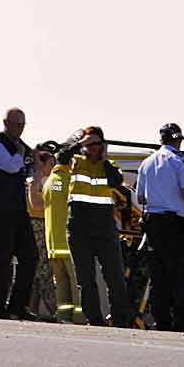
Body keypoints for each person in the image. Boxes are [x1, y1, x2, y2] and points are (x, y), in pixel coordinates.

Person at [53, 126, 134, 327]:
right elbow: (61, 156)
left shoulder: (110, 166)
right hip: (80, 228)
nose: (93, 148)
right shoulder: (74, 162)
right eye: (89, 145)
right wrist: (79, 144)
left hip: (105, 228)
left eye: (97, 144)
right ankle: (95, 320)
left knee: (115, 277)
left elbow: (116, 182)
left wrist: (104, 158)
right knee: (86, 280)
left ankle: (120, 320)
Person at [136, 123, 184, 332]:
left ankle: (161, 322)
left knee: (158, 276)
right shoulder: (180, 161)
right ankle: (183, 325)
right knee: (181, 275)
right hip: (175, 225)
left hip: (153, 224)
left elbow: (141, 197)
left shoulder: (146, 163)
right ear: (178, 140)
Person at [0, 108, 39, 320]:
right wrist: (24, 154)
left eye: (23, 125)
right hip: (1, 212)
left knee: (30, 257)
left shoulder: (19, 147)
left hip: (18, 210)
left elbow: (29, 172)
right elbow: (12, 166)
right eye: (17, 125)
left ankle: (17, 306)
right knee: (2, 261)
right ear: (5, 123)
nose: (20, 129)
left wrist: (35, 160)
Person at [31, 141, 82, 323]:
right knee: (75, 283)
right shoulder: (67, 180)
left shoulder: (51, 181)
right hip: (65, 240)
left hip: (52, 242)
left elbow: (38, 204)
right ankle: (77, 317)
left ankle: (63, 315)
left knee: (60, 282)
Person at [27, 146, 58, 321]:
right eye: (50, 163)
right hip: (36, 226)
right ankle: (54, 310)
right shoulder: (34, 182)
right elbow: (36, 206)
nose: (53, 166)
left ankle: (33, 310)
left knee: (42, 274)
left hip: (49, 225)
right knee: (43, 271)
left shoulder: (53, 181)